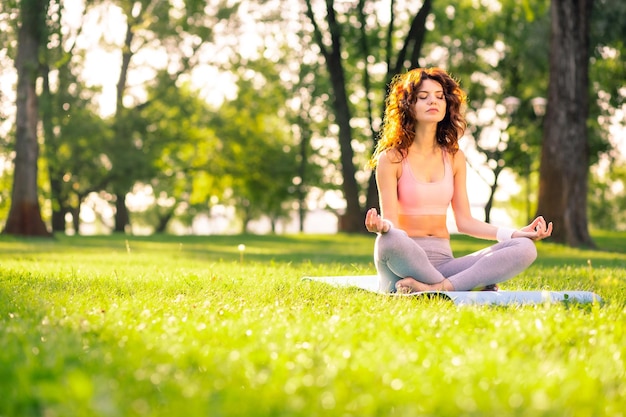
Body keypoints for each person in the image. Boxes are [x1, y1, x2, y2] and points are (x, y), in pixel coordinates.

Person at [365, 67, 553, 293]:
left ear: (447, 105)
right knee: (390, 240)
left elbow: (464, 222)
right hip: (404, 260)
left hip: (446, 264)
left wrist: (513, 233)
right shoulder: (391, 159)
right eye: (423, 97)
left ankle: (438, 287)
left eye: (439, 96)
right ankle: (462, 285)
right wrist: (382, 227)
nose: (432, 101)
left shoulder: (454, 157)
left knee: (525, 247)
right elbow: (391, 224)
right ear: (408, 106)